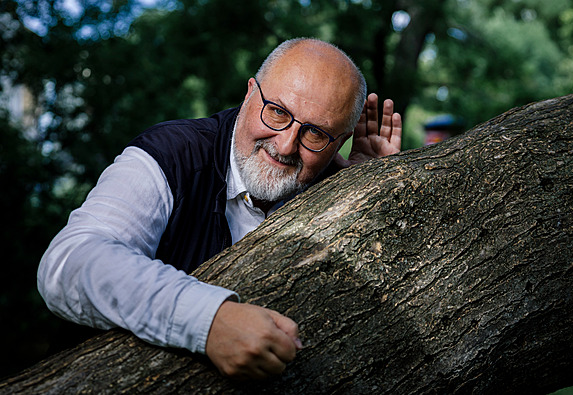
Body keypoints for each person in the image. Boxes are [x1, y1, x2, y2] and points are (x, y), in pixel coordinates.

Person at [37, 38, 402, 379]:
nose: (287, 145)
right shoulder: (171, 154)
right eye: (276, 112)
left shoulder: (329, 181)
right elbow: (69, 262)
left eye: (316, 134)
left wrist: (363, 196)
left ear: (340, 141)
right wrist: (208, 320)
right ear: (249, 94)